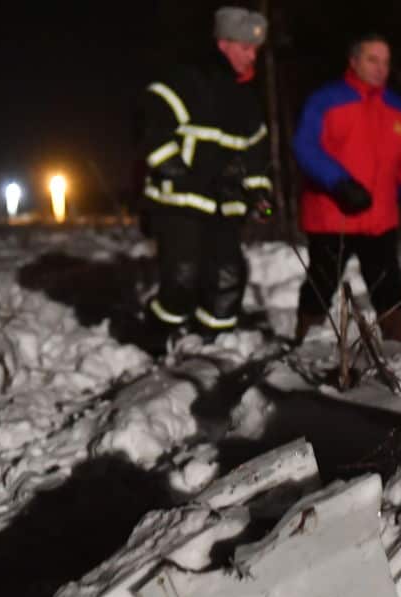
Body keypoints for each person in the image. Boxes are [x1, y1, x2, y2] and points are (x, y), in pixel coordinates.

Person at [134, 6, 273, 349]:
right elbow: (152, 128)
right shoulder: (184, 80)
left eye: (255, 49)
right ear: (224, 43)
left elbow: (255, 154)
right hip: (179, 204)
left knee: (229, 278)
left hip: (225, 207)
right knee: (182, 278)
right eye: (246, 47)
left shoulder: (246, 100)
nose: (252, 55)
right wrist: (179, 171)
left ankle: (211, 344)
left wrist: (258, 195)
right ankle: (155, 336)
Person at [292, 34, 401, 344]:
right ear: (353, 61)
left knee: (389, 287)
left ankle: (400, 349)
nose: (381, 68)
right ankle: (305, 341)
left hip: (380, 219)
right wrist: (338, 182)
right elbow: (304, 146)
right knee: (321, 283)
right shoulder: (326, 100)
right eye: (372, 59)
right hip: (332, 215)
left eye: (386, 61)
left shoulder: (399, 111)